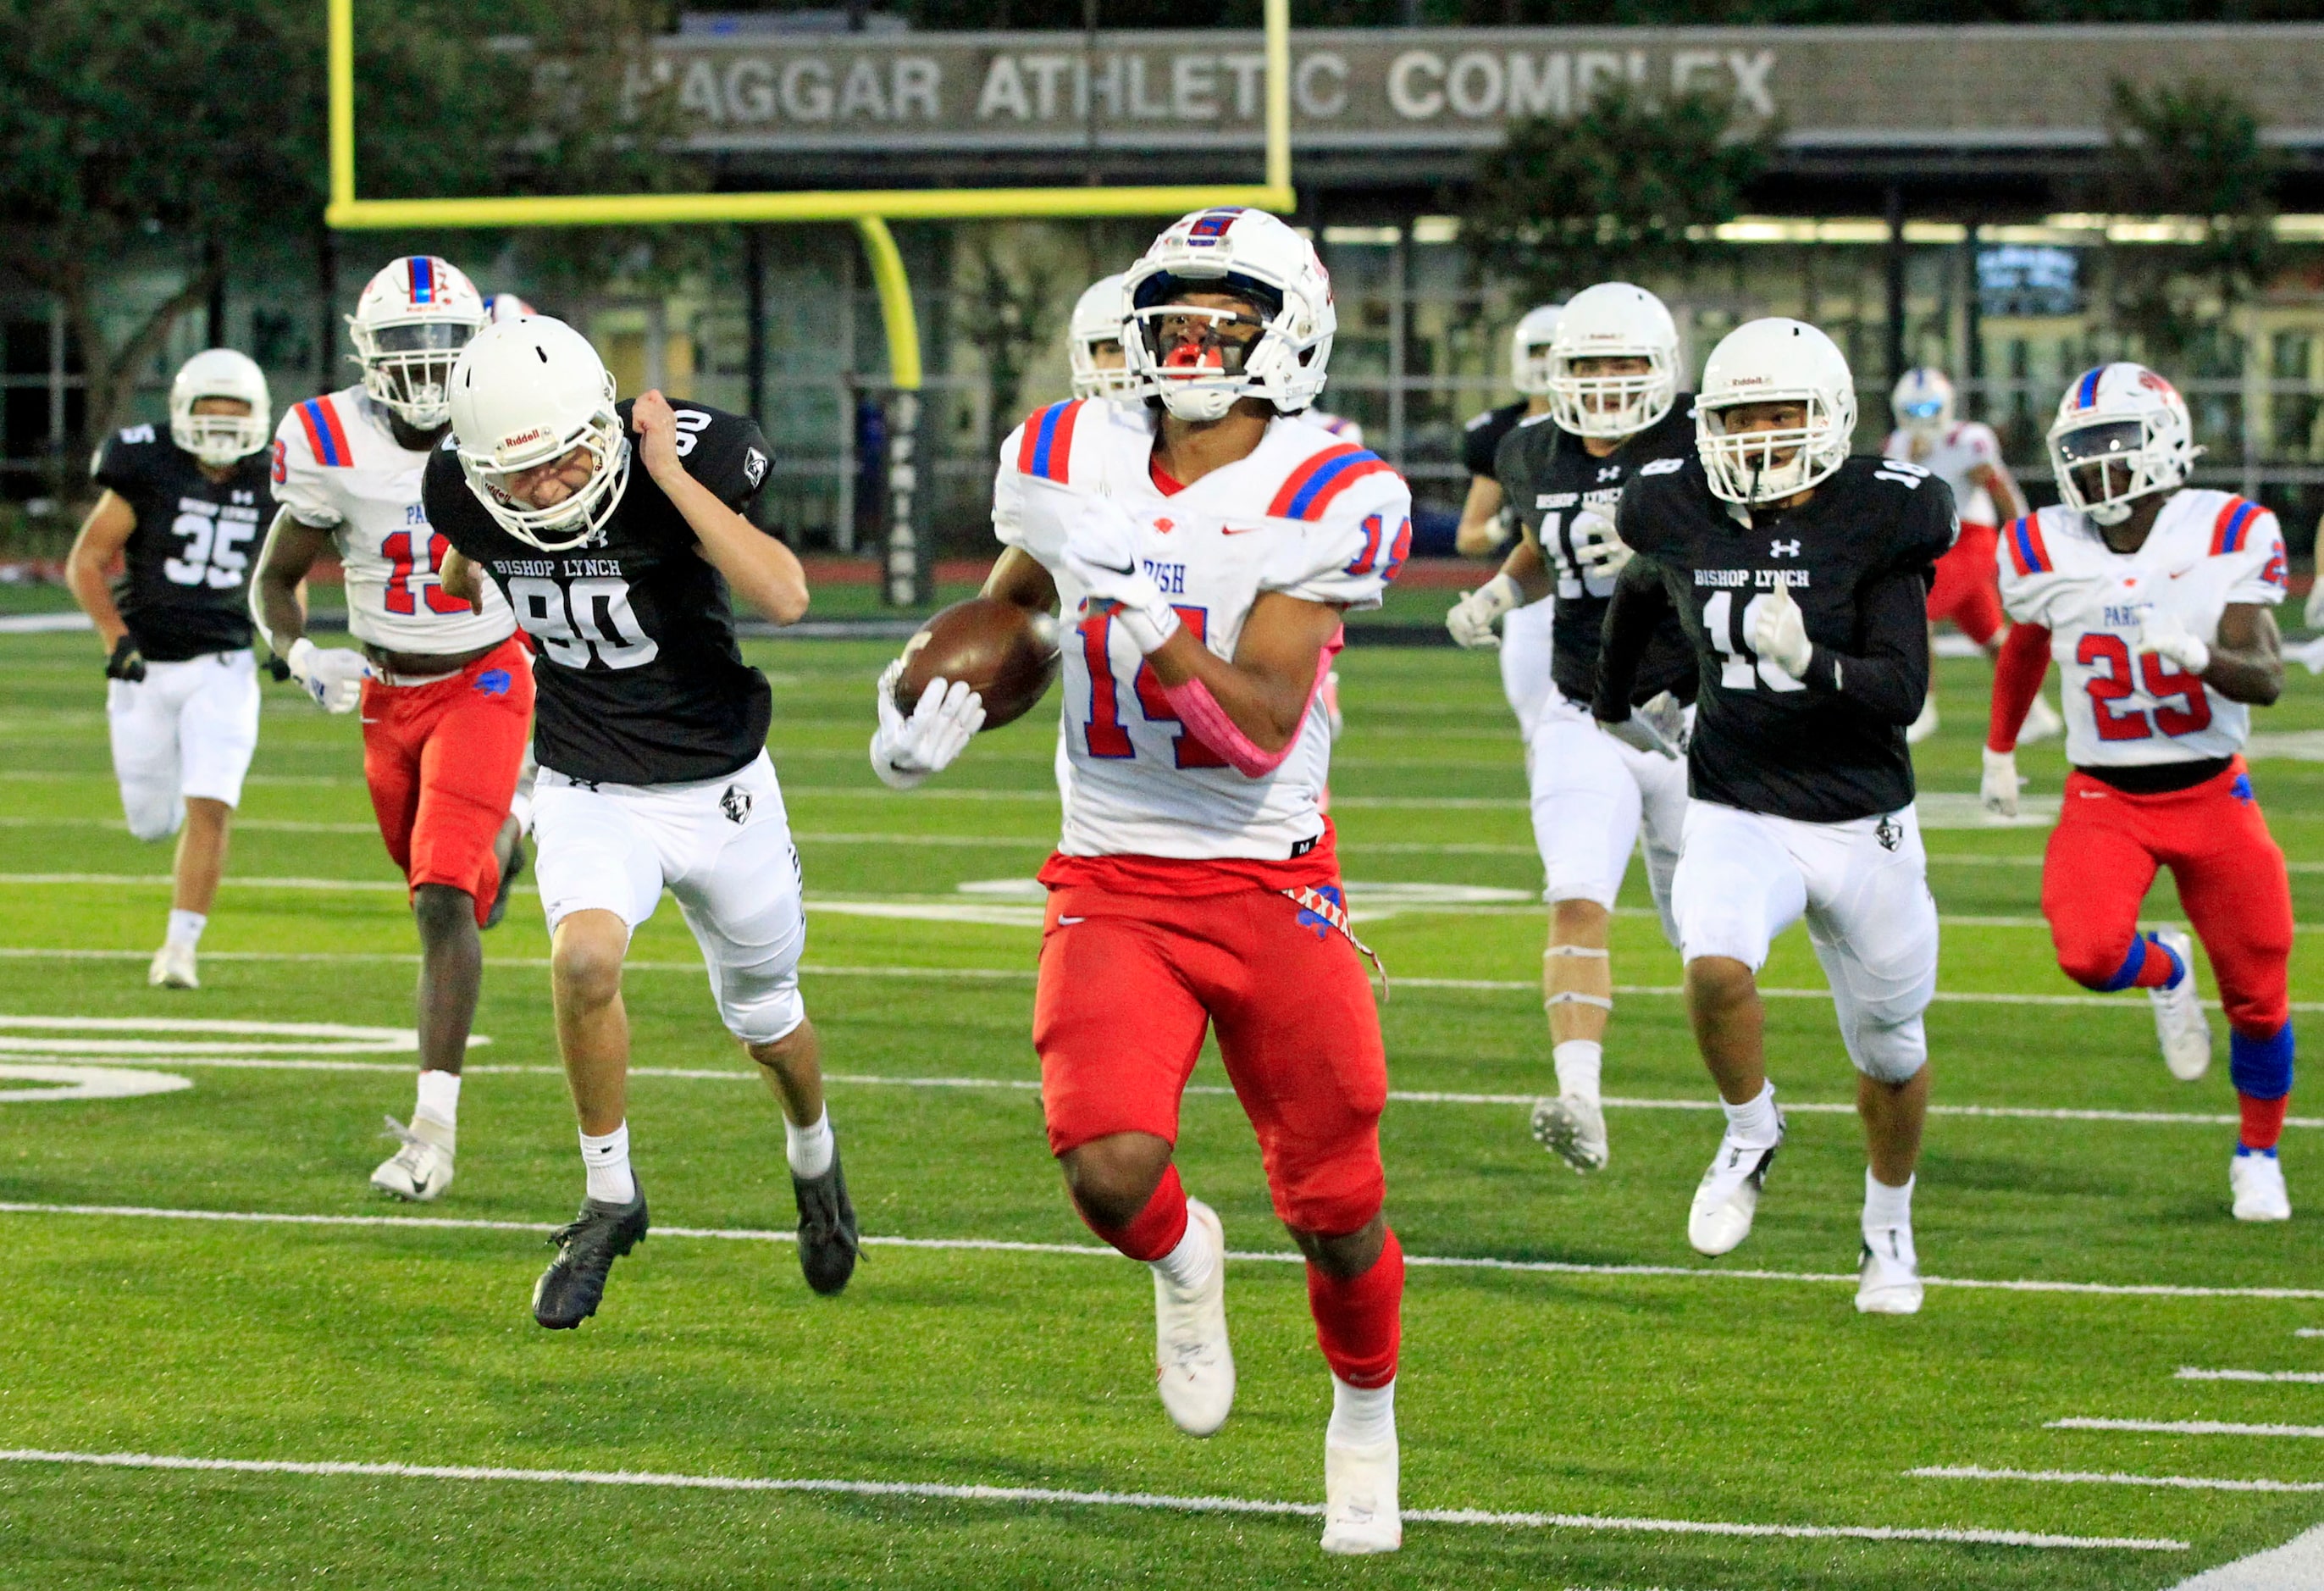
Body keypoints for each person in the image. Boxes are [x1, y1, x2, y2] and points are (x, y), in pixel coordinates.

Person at [871, 207, 1412, 1555]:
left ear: (1288, 337)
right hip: (1114, 869)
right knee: (1110, 1170)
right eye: (1173, 320)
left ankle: (1363, 1415)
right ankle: (1183, 1256)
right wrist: (917, 705)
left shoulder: (1334, 487)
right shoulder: (1068, 451)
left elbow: (1259, 727)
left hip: (1269, 875)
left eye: (1225, 323)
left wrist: (1154, 612)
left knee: (1338, 1206)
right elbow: (1023, 625)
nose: (1190, 345)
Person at [425, 315, 855, 1327]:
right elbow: (460, 566)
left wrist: (667, 473)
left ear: (602, 427)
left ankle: (814, 1157)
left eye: (567, 459)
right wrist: (478, 549)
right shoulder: (464, 492)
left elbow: (785, 596)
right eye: (516, 476)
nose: (547, 489)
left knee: (769, 1020)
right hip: (589, 783)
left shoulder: (682, 460)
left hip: (721, 787)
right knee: (582, 963)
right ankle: (609, 1197)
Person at [1594, 319, 1955, 1316]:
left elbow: (1899, 691)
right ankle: (1750, 1130)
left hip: (1862, 820)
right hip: (1737, 803)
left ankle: (1887, 1229)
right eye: (1738, 415)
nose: (1755, 436)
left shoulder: (1884, 515)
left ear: (1828, 418)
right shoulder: (1674, 505)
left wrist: (1813, 664)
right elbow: (1637, 589)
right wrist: (1613, 697)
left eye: (1778, 414)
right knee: (1711, 965)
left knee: (1889, 1050)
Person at [1984, 363, 2294, 1221]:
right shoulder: (2040, 544)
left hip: (2210, 792)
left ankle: (2256, 1153)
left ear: (2162, 444)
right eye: (2081, 450)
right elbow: (2023, 640)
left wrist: (2202, 659)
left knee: (2257, 993)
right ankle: (2162, 969)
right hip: (2103, 796)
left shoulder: (2228, 529)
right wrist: (1998, 749)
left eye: (2115, 445)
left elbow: (2265, 680)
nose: (2096, 466)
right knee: (2085, 953)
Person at [252, 256, 530, 1205]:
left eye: (441, 347)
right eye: (403, 349)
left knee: (442, 899)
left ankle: (433, 1134)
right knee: (455, 891)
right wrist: (298, 658)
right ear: (365, 352)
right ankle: (514, 828)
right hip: (384, 693)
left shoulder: (506, 422)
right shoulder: (323, 437)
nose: (422, 369)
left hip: (486, 676)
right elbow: (275, 581)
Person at [1442, 283, 1699, 1173]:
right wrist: (1499, 592)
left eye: (1625, 361)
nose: (1606, 379)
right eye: (1588, 363)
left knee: (1706, 938)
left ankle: (1750, 1115)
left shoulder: (1700, 438)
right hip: (1583, 707)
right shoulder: (1528, 451)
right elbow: (1543, 547)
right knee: (1577, 895)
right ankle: (1579, 1095)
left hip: (1693, 716)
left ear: (1662, 368)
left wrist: (1678, 554)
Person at [65, 350, 274, 990]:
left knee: (211, 802)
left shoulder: (277, 479)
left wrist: (288, 641)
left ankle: (180, 947)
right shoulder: (147, 466)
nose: (220, 426)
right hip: (145, 671)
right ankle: (178, 812)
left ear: (259, 418)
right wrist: (114, 638)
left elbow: (285, 575)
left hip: (224, 665)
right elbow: (86, 561)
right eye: (208, 411)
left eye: (233, 413)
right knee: (151, 822)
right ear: (181, 414)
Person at [1884, 366, 2061, 746]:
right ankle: (2033, 712)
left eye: (1929, 408)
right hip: (1931, 544)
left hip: (1970, 539)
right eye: (1913, 411)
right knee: (1991, 637)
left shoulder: (1968, 440)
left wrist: (2025, 542)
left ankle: (1922, 706)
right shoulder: (1897, 445)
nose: (1922, 419)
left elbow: (2003, 492)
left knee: (1916, 608)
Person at [1453, 306, 1561, 737]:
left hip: (1605, 592)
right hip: (1532, 590)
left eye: (1558, 350)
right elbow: (1469, 536)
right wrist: (1502, 526)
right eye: (1539, 350)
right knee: (1538, 732)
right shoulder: (1503, 437)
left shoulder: (1616, 428)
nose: (1547, 361)